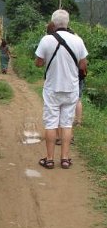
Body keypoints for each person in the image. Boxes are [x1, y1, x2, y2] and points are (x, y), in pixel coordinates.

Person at [35, 9, 88, 170]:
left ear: (53, 23)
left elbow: (38, 63)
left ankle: (49, 159)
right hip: (71, 89)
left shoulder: (46, 39)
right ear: (67, 22)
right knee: (66, 123)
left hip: (52, 88)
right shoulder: (78, 40)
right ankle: (65, 159)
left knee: (51, 123)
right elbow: (83, 65)